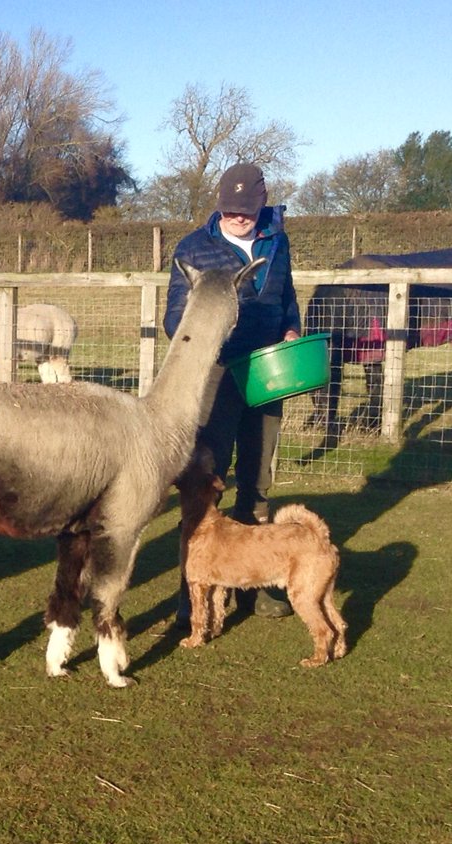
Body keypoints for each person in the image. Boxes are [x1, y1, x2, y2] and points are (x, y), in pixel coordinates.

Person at [164, 162, 302, 621]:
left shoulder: (277, 241)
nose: (238, 217)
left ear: (261, 205)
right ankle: (192, 593)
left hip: (270, 370)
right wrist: (207, 336)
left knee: (257, 479)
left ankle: (256, 584)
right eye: (229, 209)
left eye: (246, 210)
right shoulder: (193, 249)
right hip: (218, 373)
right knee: (207, 478)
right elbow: (174, 318)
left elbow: (287, 296)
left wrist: (291, 327)